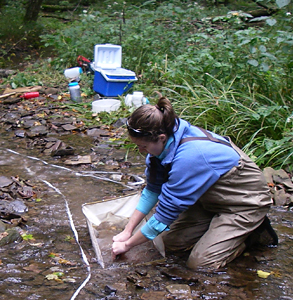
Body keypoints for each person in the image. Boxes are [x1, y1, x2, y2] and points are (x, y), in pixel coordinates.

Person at [112, 95, 277, 271]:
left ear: (161, 138)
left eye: (143, 147)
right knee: (166, 243)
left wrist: (128, 245)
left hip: (244, 203)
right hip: (208, 200)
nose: (141, 151)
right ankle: (216, 228)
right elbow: (152, 191)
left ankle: (251, 236)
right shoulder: (162, 145)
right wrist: (127, 231)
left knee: (201, 264)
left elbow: (164, 215)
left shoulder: (189, 157)